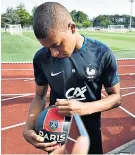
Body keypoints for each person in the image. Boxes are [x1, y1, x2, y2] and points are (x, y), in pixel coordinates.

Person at [23, 2, 121, 154]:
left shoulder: (101, 54)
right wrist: (28, 127)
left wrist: (84, 108)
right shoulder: (41, 58)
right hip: (56, 132)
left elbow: (116, 97)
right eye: (48, 47)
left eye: (57, 45)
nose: (54, 53)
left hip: (89, 134)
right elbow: (39, 95)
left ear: (72, 28)